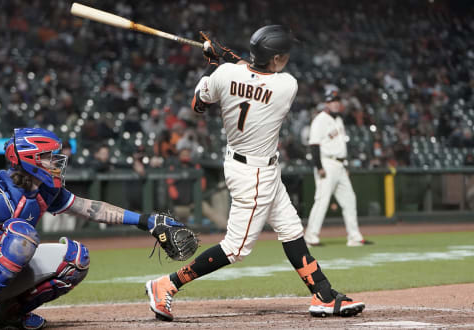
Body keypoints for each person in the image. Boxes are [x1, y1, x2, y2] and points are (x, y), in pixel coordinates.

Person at [145, 25, 365, 322]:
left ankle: (323, 295)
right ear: (274, 59)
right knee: (235, 248)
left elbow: (198, 104)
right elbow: (253, 74)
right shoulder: (287, 85)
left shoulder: (224, 75)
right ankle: (166, 284)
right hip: (255, 174)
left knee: (290, 229)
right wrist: (225, 57)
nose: (286, 58)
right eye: (283, 54)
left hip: (248, 164)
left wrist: (215, 63)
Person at [0, 127, 188, 329]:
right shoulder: (1, 196)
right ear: (30, 159)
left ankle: (9, 315)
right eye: (48, 156)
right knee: (21, 237)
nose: (55, 161)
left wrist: (145, 221)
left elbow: (90, 209)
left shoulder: (44, 190)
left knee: (75, 259)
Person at [304, 89, 372, 247]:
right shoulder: (320, 120)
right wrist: (319, 167)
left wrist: (346, 164)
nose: (335, 103)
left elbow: (341, 145)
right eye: (331, 101)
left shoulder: (339, 120)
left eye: (337, 101)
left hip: (340, 165)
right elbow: (314, 145)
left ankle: (354, 237)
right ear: (326, 104)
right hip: (326, 163)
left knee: (349, 200)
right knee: (322, 200)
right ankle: (310, 237)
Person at [167, 148, 227, 230]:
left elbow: (202, 185)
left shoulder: (194, 166)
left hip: (195, 203)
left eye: (187, 155)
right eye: (183, 155)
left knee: (213, 215)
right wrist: (176, 197)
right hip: (179, 205)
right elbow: (170, 186)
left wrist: (196, 198)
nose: (185, 157)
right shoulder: (174, 168)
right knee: (173, 223)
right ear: (179, 156)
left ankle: (227, 228)